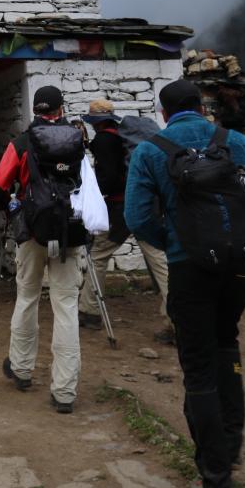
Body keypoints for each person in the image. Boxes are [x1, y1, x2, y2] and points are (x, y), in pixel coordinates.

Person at [125, 78, 245, 488]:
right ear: (202, 106)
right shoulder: (238, 144)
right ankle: (229, 450)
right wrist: (243, 241)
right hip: (239, 269)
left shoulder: (150, 151)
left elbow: (137, 217)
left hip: (189, 269)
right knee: (226, 344)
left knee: (197, 368)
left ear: (162, 113)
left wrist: (177, 245)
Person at [0, 85, 86, 414]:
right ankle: (64, 391)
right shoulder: (77, 140)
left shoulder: (22, 143)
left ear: (35, 109)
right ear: (61, 108)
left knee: (28, 296)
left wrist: (14, 207)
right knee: (66, 306)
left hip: (32, 232)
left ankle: (21, 369)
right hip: (70, 231)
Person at [77, 98, 172, 343]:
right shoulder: (125, 137)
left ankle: (89, 310)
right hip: (148, 205)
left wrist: (93, 192)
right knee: (158, 259)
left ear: (96, 122)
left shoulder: (103, 141)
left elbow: (109, 179)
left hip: (122, 207)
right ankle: (177, 319)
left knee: (99, 254)